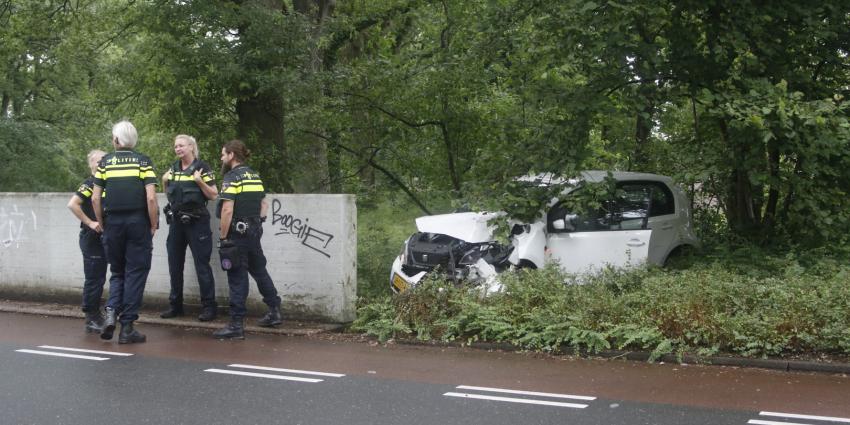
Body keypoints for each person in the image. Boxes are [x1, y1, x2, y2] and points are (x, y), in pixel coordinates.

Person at [92, 120, 158, 344]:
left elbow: (94, 197)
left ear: (116, 140)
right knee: (136, 272)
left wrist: (102, 222)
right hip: (137, 222)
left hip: (113, 224)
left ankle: (111, 311)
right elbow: (150, 197)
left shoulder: (105, 163)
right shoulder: (143, 162)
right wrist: (153, 224)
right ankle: (127, 327)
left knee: (118, 272)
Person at [213, 139, 282, 340]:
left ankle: (236, 325)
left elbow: (227, 209)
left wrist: (224, 237)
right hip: (254, 231)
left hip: (237, 233)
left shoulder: (232, 177)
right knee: (259, 270)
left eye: (223, 154)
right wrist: (258, 223)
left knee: (237, 276)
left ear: (231, 155)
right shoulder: (254, 175)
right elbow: (263, 204)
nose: (221, 158)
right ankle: (274, 311)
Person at [160, 135, 219, 321]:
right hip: (177, 222)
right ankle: (175, 306)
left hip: (197, 222)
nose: (178, 149)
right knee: (174, 265)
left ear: (191, 147)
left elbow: (214, 195)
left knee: (202, 266)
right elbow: (169, 194)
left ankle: (209, 308)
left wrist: (199, 181)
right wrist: (163, 181)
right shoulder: (174, 167)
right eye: (176, 146)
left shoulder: (203, 167)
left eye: (181, 146)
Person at [66, 149, 108, 334]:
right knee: (94, 279)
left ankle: (99, 314)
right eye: (97, 161)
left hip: (106, 237)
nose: (100, 164)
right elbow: (72, 204)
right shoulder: (89, 184)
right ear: (90, 164)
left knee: (102, 277)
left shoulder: (108, 184)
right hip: (92, 239)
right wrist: (90, 222)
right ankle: (91, 317)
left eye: (104, 161)